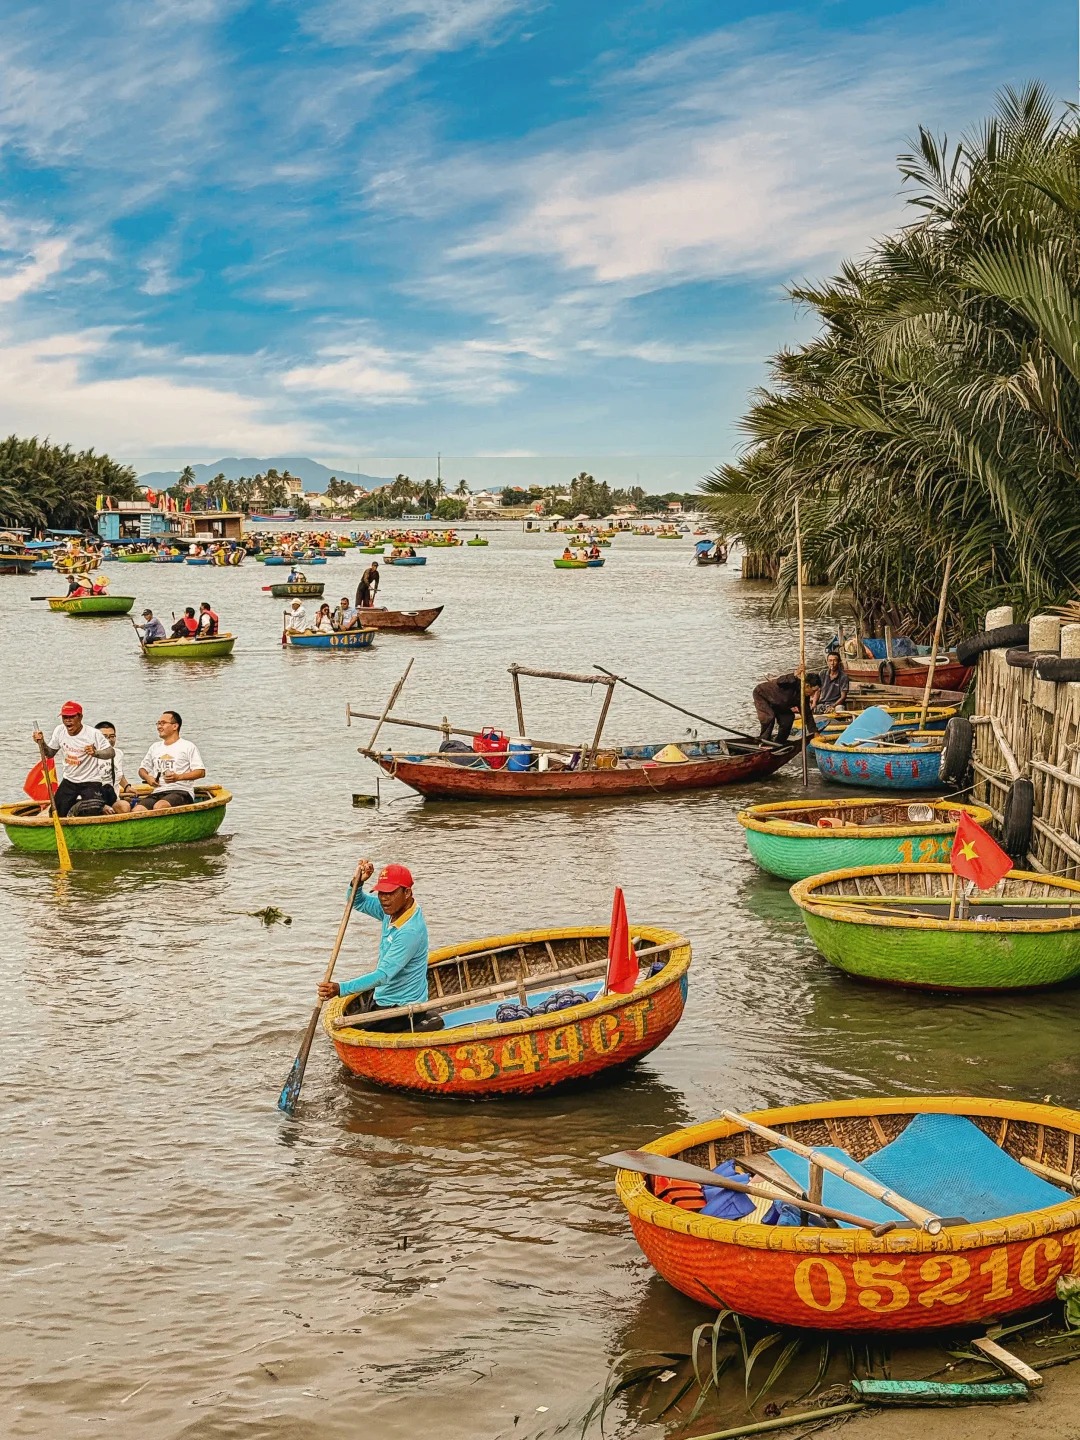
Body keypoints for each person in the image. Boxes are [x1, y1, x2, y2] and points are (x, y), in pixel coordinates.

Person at [317, 861, 439, 1032]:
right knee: (347, 1025)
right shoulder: (391, 910)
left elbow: (383, 976)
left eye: (390, 893)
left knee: (350, 1030)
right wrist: (358, 882)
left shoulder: (410, 931)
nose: (384, 898)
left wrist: (340, 988)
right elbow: (357, 902)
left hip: (402, 1009)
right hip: (383, 998)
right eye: (381, 892)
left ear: (407, 893)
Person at [31, 702, 114, 817]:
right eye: (65, 717)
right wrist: (41, 742)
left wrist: (95, 753)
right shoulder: (59, 731)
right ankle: (74, 808)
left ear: (80, 717)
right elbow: (49, 754)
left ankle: (82, 808)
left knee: (93, 809)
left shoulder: (93, 733)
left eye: (71, 717)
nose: (67, 721)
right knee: (56, 813)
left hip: (90, 781)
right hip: (69, 780)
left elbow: (111, 752)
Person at [133, 711, 205, 811]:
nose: (159, 727)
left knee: (160, 806)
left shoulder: (188, 746)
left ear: (175, 726)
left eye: (163, 723)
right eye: (158, 723)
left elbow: (201, 772)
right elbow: (142, 770)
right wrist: (148, 777)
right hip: (158, 792)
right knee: (137, 810)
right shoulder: (155, 747)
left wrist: (178, 777)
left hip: (181, 791)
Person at [752, 669, 822, 743]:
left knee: (788, 719)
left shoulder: (804, 697)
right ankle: (764, 741)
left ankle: (779, 742)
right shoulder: (793, 681)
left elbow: (807, 714)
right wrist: (794, 674)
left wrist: (814, 731)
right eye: (813, 691)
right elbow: (780, 681)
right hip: (762, 695)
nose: (813, 694)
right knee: (769, 717)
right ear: (807, 686)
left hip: (779, 703)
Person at [94, 719, 132, 813]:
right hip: (92, 799)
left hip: (112, 797)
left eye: (112, 736)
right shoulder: (89, 755)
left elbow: (118, 773)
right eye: (104, 737)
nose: (109, 740)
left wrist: (126, 786)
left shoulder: (118, 753)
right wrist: (101, 805)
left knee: (124, 806)